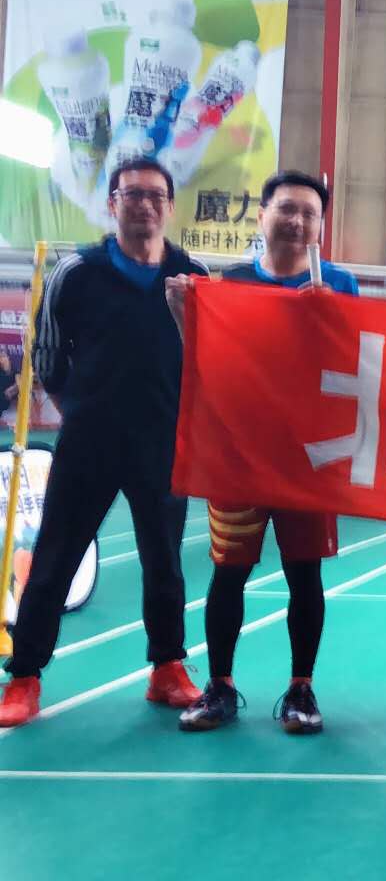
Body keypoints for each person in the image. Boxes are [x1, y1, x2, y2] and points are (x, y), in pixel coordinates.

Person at [0, 159, 208, 728]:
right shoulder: (77, 272)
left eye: (155, 195)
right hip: (88, 443)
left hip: (163, 444)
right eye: (132, 194)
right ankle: (24, 677)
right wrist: (81, 410)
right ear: (112, 203)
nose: (144, 204)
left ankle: (167, 669)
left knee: (164, 562)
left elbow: (212, 356)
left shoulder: (193, 276)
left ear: (169, 206)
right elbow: (46, 354)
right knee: (54, 560)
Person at [167, 172, 359, 735]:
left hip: (308, 459)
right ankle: (220, 687)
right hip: (240, 456)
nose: (297, 221)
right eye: (286, 209)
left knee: (304, 573)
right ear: (262, 215)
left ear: (320, 226)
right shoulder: (230, 284)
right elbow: (207, 363)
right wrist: (182, 314)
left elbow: (357, 366)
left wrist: (333, 322)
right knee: (229, 572)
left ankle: (301, 688)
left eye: (309, 213)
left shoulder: (339, 284)